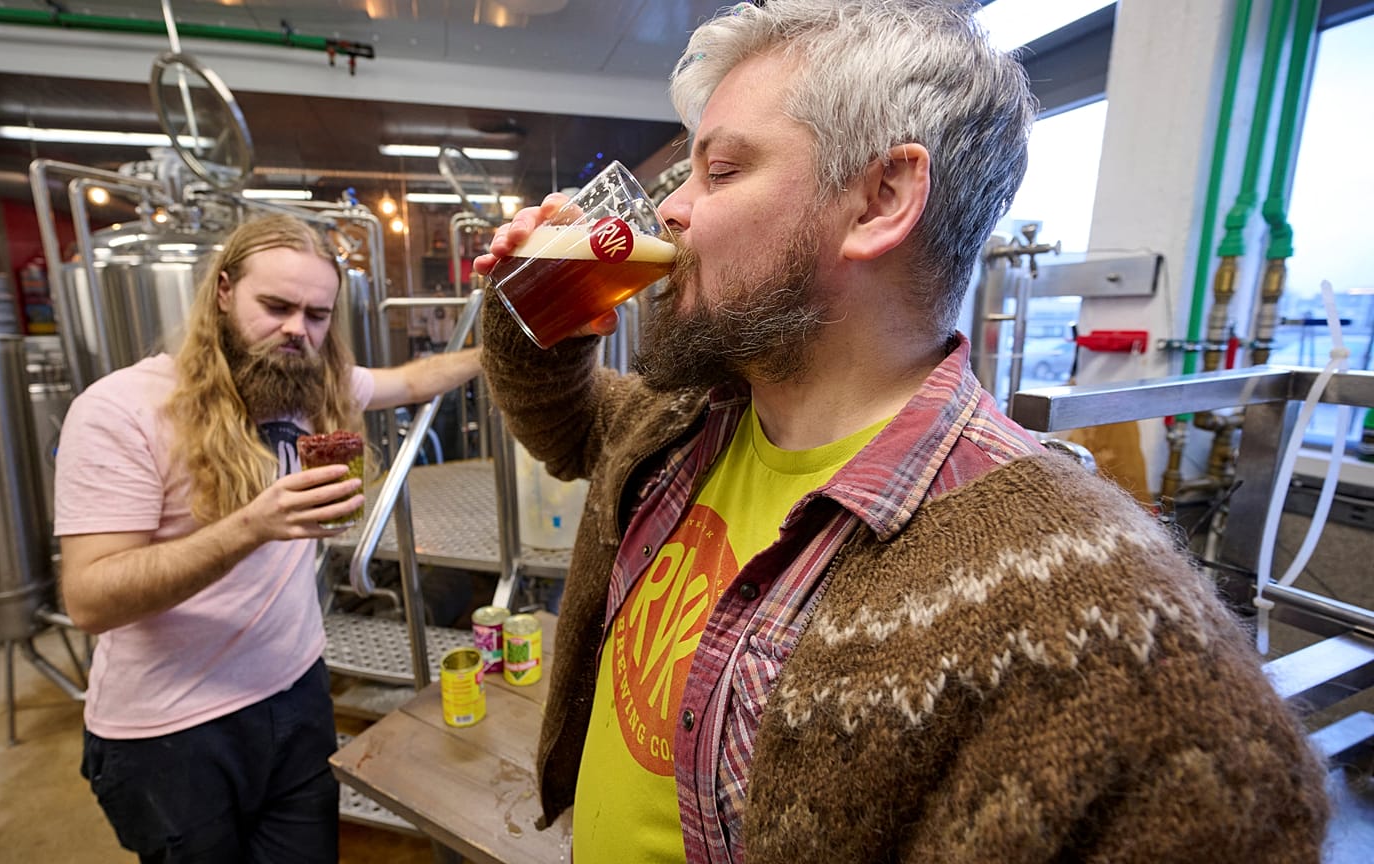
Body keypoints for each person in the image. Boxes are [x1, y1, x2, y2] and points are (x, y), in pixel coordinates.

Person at [474, 1, 1329, 862]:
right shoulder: (682, 424)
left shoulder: (1096, 622)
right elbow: (569, 427)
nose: (671, 210)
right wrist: (533, 305)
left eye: (720, 170)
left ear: (880, 201)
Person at [55, 213, 480, 862]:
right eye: (276, 307)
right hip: (172, 728)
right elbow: (90, 598)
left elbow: (415, 380)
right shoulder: (121, 408)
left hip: (296, 694)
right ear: (223, 291)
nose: (296, 330)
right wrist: (252, 526)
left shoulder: (311, 382)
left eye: (317, 315)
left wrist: (510, 347)